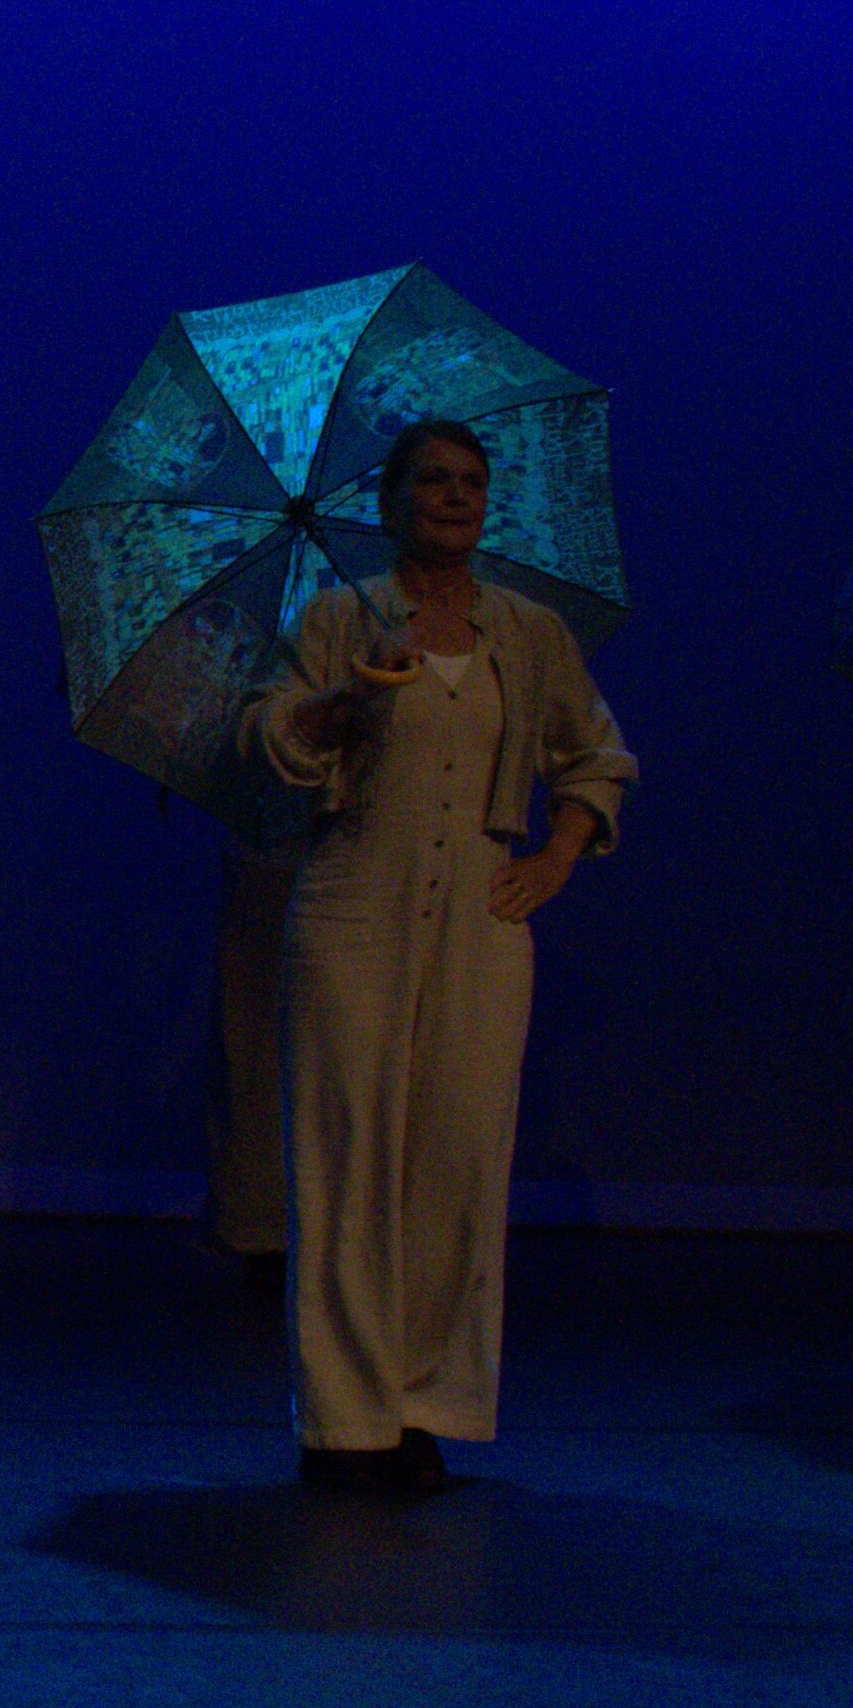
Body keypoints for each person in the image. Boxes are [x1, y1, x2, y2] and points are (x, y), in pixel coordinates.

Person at [248, 420, 634, 1495]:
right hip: (354, 906)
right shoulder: (339, 618)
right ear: (391, 501)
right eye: (434, 480)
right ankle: (344, 1418)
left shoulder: (528, 632)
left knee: (456, 1161)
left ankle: (420, 1402)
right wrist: (349, 699)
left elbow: (596, 755)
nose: (456, 497)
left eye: (471, 482)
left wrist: (556, 855)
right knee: (346, 1156)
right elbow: (265, 739)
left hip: (480, 915)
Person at [206, 827, 301, 1291]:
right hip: (276, 853)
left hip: (326, 857)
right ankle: (264, 1231)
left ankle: (267, 1231)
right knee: (258, 1056)